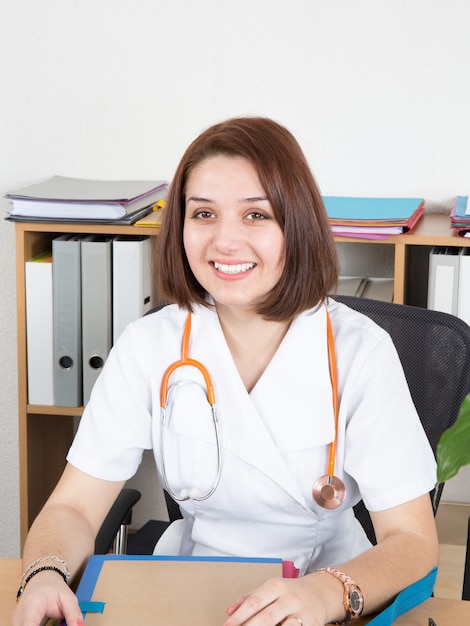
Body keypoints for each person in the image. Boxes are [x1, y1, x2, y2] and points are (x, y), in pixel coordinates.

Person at [12, 117, 438, 626]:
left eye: (256, 214)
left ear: (295, 224)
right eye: (204, 213)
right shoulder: (151, 346)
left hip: (328, 591)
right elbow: (75, 508)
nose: (224, 241)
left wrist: (325, 594)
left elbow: (412, 540)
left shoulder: (360, 351)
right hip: (188, 591)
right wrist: (43, 572)